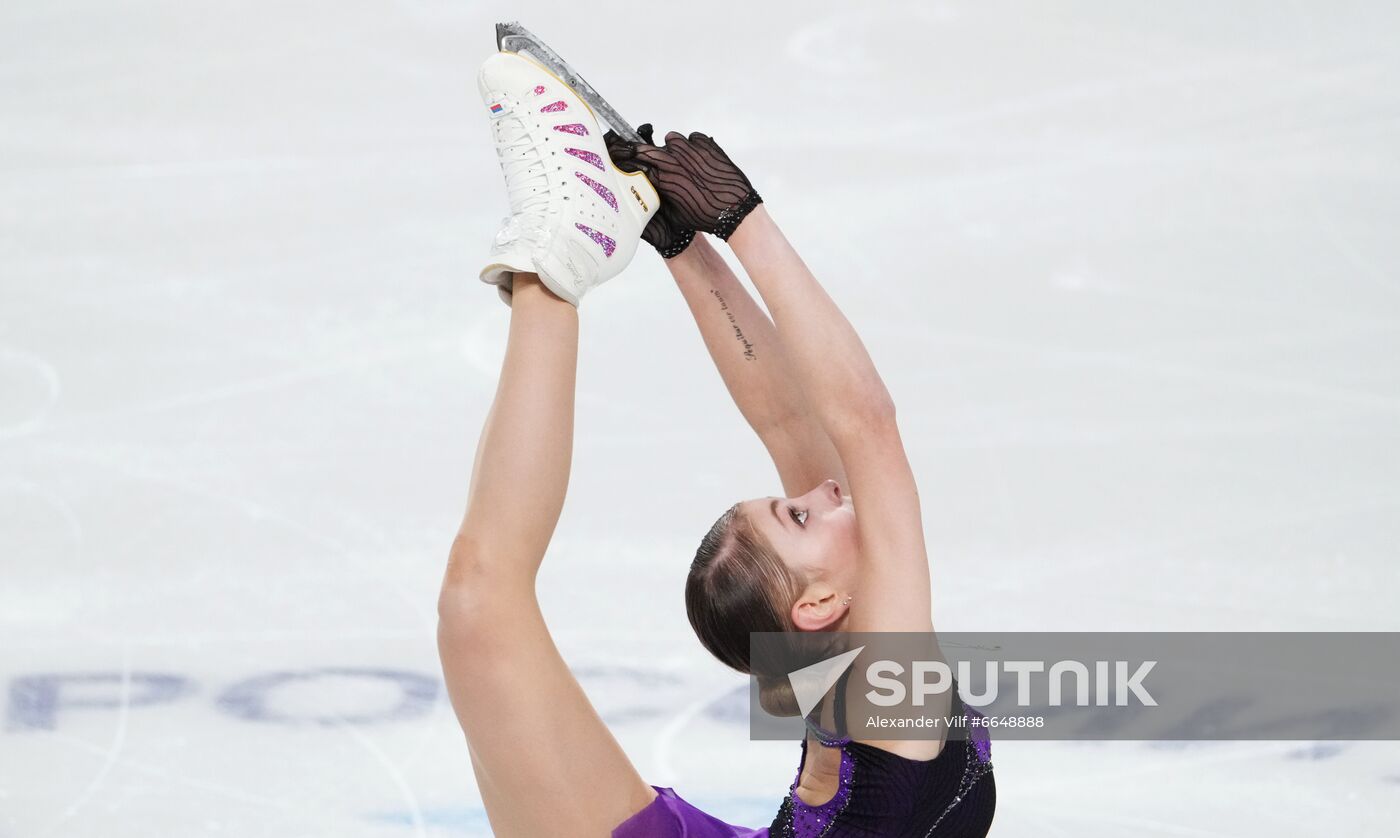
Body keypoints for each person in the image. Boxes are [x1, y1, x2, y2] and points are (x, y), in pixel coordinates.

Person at [438, 50, 996, 838]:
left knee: (478, 599)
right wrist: (717, 231)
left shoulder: (849, 660)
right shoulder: (869, 671)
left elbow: (810, 427)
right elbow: (843, 424)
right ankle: (556, 251)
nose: (822, 489)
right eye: (799, 514)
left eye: (790, 509)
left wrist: (703, 235)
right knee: (476, 602)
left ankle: (551, 257)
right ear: (817, 604)